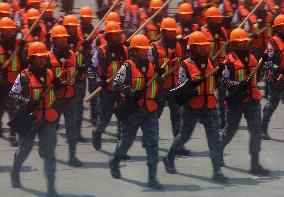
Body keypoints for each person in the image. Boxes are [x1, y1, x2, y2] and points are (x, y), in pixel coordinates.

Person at [163, 31, 228, 183]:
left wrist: (219, 75)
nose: (204, 50)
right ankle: (170, 156)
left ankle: (217, 170)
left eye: (205, 47)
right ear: (192, 49)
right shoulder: (185, 65)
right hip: (191, 106)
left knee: (214, 138)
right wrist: (195, 85)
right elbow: (181, 89)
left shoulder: (210, 62)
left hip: (209, 105)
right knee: (184, 135)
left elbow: (214, 84)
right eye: (201, 47)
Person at [109, 34, 163, 190]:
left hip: (150, 111)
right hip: (133, 111)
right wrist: (131, 91)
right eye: (141, 50)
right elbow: (116, 84)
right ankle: (115, 161)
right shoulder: (127, 66)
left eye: (146, 50)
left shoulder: (152, 65)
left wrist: (159, 76)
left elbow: (157, 88)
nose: (144, 53)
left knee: (153, 143)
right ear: (133, 51)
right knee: (126, 142)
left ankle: (152, 178)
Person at [10, 41, 60, 197]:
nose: (42, 60)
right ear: (31, 59)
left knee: (50, 153)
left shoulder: (50, 74)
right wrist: (27, 102)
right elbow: (13, 94)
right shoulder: (23, 76)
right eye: (38, 58)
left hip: (48, 119)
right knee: (25, 150)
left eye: (44, 57)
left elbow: (54, 95)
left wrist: (59, 85)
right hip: (29, 120)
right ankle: (15, 170)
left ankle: (51, 187)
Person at [220, 28, 270, 176]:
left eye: (245, 43)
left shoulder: (253, 59)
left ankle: (255, 164)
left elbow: (258, 78)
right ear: (234, 44)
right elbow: (222, 81)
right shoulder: (228, 62)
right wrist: (237, 84)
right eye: (241, 43)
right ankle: (218, 150)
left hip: (253, 100)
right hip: (236, 101)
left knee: (255, 131)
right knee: (230, 131)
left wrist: (262, 70)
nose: (244, 45)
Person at [151, 17, 191, 156]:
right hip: (160, 88)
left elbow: (182, 64)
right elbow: (148, 66)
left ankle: (178, 145)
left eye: (174, 31)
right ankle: (150, 140)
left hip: (174, 87)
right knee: (155, 115)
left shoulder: (178, 46)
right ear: (163, 32)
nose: (174, 34)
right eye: (170, 32)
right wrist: (157, 70)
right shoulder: (154, 47)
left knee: (177, 116)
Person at [48, 25, 84, 167]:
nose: (63, 41)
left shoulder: (72, 54)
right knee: (51, 128)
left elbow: (77, 75)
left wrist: (80, 72)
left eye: (65, 39)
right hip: (54, 100)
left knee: (72, 127)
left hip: (70, 98)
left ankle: (72, 156)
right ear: (53, 40)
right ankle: (48, 151)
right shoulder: (47, 57)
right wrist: (53, 83)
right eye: (60, 39)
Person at [91, 21, 129, 151]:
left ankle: (121, 147)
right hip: (107, 90)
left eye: (119, 34)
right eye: (115, 34)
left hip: (122, 90)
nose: (118, 36)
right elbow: (91, 68)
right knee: (104, 119)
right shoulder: (100, 51)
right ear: (108, 36)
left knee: (122, 120)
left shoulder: (125, 50)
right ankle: (97, 132)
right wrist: (98, 79)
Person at [0, 17, 23, 146]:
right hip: (1, 82)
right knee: (1, 106)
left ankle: (13, 135)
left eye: (10, 30)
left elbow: (24, 61)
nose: (8, 32)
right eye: (6, 30)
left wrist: (22, 48)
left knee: (13, 109)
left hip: (14, 81)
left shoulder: (17, 43)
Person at [262, 14, 284, 140]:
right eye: (282, 27)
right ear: (278, 28)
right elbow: (267, 62)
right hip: (276, 78)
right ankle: (263, 128)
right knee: (272, 104)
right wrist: (279, 69)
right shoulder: (272, 41)